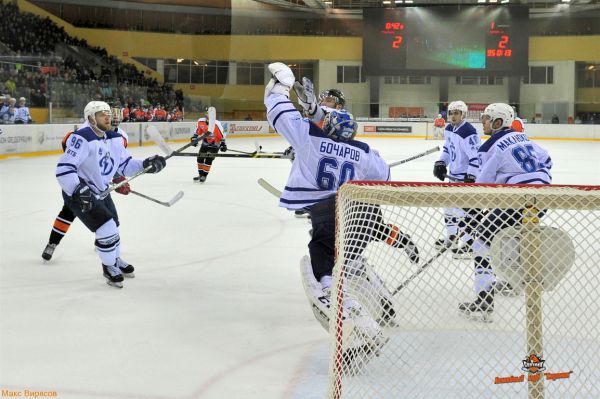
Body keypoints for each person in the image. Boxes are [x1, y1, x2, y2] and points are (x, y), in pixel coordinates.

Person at [264, 62, 419, 363]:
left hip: (324, 211)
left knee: (325, 256)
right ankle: (369, 301)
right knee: (348, 257)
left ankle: (344, 303)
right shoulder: (362, 151)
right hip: (355, 212)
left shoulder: (311, 138)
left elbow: (281, 114)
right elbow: (384, 175)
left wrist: (280, 87)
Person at [55, 101, 166, 288]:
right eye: (101, 114)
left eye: (108, 113)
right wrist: (77, 189)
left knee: (113, 224)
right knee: (106, 227)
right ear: (91, 118)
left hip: (100, 190)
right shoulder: (81, 137)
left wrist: (147, 164)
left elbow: (124, 164)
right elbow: (64, 169)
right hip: (79, 191)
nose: (108, 117)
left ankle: (115, 259)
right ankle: (108, 267)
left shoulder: (114, 137)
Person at [458, 103, 552, 322]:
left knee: (482, 239)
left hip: (517, 199)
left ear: (498, 122)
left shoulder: (490, 146)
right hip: (543, 197)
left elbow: (483, 184)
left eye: (487, 118)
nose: (483, 122)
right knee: (514, 235)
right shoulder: (523, 138)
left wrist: (472, 209)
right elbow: (547, 160)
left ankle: (484, 298)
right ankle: (512, 281)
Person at [42, 104, 131, 261]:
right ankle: (52, 243)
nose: (112, 117)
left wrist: (118, 177)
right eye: (107, 114)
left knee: (107, 218)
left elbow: (114, 160)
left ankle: (104, 244)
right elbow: (72, 151)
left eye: (112, 114)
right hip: (79, 183)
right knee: (68, 213)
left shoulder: (120, 136)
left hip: (98, 184)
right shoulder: (85, 132)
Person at [433, 100, 481, 257]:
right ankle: (452, 238)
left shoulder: (468, 132)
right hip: (453, 177)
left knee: (462, 213)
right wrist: (441, 162)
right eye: (451, 113)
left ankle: (468, 244)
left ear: (463, 114)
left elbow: (476, 157)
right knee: (448, 209)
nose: (453, 116)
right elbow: (447, 148)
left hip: (464, 178)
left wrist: (471, 176)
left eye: (456, 113)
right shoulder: (449, 129)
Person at [189, 109, 227, 183]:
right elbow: (197, 131)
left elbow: (222, 135)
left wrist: (223, 144)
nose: (209, 119)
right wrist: (194, 138)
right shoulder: (201, 121)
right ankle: (200, 175)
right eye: (208, 117)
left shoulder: (217, 124)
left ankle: (204, 176)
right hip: (205, 143)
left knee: (209, 159)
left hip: (215, 144)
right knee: (200, 158)